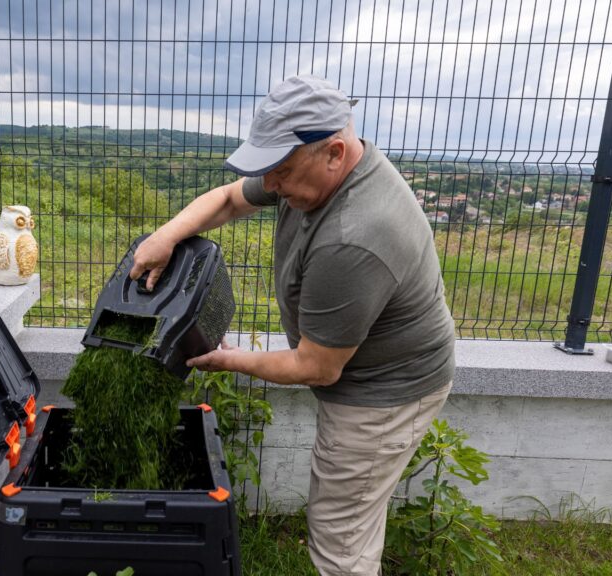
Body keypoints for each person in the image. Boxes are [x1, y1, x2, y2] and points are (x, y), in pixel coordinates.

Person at [129, 74, 455, 576]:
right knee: (358, 511)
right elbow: (230, 198)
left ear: (335, 152)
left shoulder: (355, 236)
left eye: (280, 171)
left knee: (339, 535)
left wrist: (225, 359)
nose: (273, 185)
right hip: (367, 367)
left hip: (385, 392)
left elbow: (317, 366)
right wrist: (165, 236)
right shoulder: (311, 165)